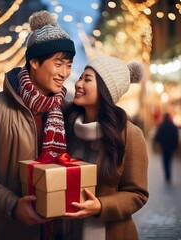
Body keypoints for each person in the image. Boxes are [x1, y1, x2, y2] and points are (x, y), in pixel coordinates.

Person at [0, 10, 75, 240]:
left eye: (69, 65)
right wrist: (13, 205)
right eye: (58, 63)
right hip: (8, 230)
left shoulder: (67, 111)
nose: (64, 73)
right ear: (34, 61)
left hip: (60, 230)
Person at [63, 56, 149, 240]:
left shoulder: (129, 135)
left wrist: (101, 205)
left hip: (111, 233)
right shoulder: (68, 127)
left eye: (87, 80)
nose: (78, 84)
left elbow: (138, 194)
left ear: (105, 90)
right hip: (69, 231)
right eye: (80, 78)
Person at [153, 112, 179, 184]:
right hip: (171, 147)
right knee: (169, 161)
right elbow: (176, 137)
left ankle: (167, 176)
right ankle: (169, 175)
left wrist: (155, 143)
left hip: (164, 147)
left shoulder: (162, 126)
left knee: (165, 162)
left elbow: (158, 135)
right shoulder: (173, 126)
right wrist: (175, 146)